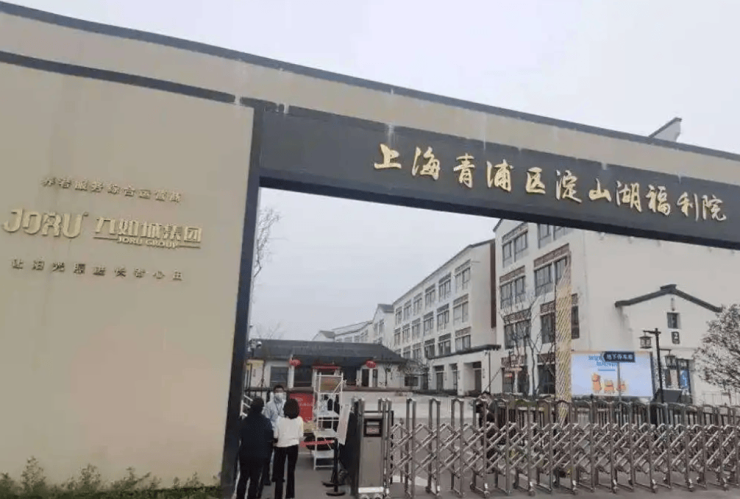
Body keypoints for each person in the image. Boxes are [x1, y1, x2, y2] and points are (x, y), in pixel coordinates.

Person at [236, 397, 273, 499]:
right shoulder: (266, 422)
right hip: (259, 454)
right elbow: (270, 437)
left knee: (243, 477)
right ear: (262, 408)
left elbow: (240, 434)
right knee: (255, 480)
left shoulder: (245, 421)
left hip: (245, 452)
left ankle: (240, 496)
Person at [273, 398, 304, 499]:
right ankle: (289, 495)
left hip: (280, 447)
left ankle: (278, 495)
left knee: (279, 473)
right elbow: (301, 435)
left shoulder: (279, 420)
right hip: (293, 446)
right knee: (291, 471)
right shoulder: (299, 420)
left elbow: (275, 435)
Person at [262, 385, 286, 486]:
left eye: (281, 391)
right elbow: (267, 419)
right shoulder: (269, 405)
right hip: (271, 431)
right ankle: (266, 477)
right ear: (274, 393)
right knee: (267, 456)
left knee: (280, 456)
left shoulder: (285, 404)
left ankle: (277, 476)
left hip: (282, 432)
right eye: (277, 391)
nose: (279, 393)